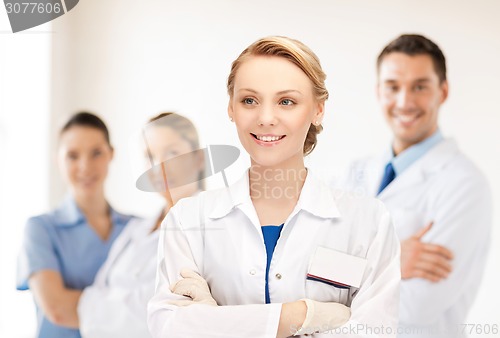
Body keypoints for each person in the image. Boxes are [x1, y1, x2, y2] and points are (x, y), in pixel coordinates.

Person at [148, 36, 400, 338]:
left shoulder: (368, 222)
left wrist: (217, 322)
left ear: (318, 110)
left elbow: (375, 332)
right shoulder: (187, 221)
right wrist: (303, 316)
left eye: (286, 102)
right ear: (231, 108)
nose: (266, 118)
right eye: (249, 101)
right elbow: (169, 328)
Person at [342, 34, 492, 337]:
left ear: (443, 91)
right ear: (378, 91)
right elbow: (302, 272)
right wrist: (392, 258)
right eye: (393, 87)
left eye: (420, 87)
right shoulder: (354, 172)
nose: (404, 102)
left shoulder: (465, 185)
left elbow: (416, 307)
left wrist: (339, 269)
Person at [77, 112, 205, 338]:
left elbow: (160, 317)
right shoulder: (135, 228)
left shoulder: (209, 228)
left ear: (199, 159)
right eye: (149, 156)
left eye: (172, 153)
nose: (160, 167)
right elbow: (94, 293)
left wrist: (101, 308)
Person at [16, 112, 134, 338]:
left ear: (111, 154)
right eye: (72, 155)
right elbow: (57, 309)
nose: (85, 166)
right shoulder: (40, 229)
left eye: (96, 153)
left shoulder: (137, 229)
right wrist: (134, 308)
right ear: (57, 160)